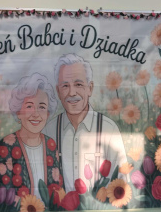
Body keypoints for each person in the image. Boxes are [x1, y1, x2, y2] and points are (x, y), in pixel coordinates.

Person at [43, 53, 128, 194]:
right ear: (58, 91)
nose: (72, 92)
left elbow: (122, 182)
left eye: (78, 84)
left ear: (90, 88)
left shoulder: (109, 129)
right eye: (65, 86)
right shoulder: (48, 131)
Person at [0, 72, 63, 207]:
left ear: (48, 114)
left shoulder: (51, 144)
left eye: (42, 107)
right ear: (18, 112)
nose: (36, 114)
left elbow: (58, 187)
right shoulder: (6, 145)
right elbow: (4, 192)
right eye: (29, 106)